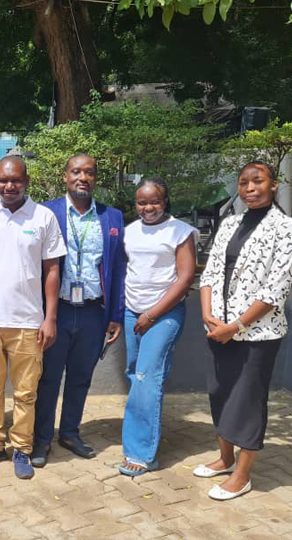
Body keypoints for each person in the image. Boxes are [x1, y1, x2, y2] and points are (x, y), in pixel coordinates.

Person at [196, 161, 292, 501]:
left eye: (258, 181)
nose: (250, 188)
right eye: (244, 183)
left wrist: (237, 326)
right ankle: (225, 458)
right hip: (218, 327)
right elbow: (211, 272)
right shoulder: (229, 223)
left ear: (273, 184)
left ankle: (242, 476)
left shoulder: (287, 228)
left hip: (258, 333)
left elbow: (276, 288)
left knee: (248, 400)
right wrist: (208, 316)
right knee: (219, 392)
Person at [0, 155, 66, 479]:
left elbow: (52, 270)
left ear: (26, 182)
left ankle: (21, 447)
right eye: (3, 180)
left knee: (25, 393)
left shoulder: (43, 217)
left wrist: (50, 318)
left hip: (28, 324)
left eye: (16, 180)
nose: (9, 186)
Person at [32, 154, 127, 468]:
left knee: (81, 377)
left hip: (92, 312)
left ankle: (70, 433)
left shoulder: (111, 217)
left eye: (89, 172)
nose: (82, 177)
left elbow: (118, 269)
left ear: (95, 178)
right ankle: (42, 438)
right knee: (48, 378)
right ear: (65, 176)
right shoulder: (46, 212)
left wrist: (115, 315)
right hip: (55, 311)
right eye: (76, 172)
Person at [118, 178, 198, 476]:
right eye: (142, 202)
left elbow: (185, 277)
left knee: (146, 377)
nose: (148, 208)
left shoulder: (180, 231)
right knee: (135, 374)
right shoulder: (129, 231)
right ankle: (143, 435)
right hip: (132, 312)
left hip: (163, 314)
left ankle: (141, 454)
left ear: (165, 202)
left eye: (154, 202)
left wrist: (152, 315)